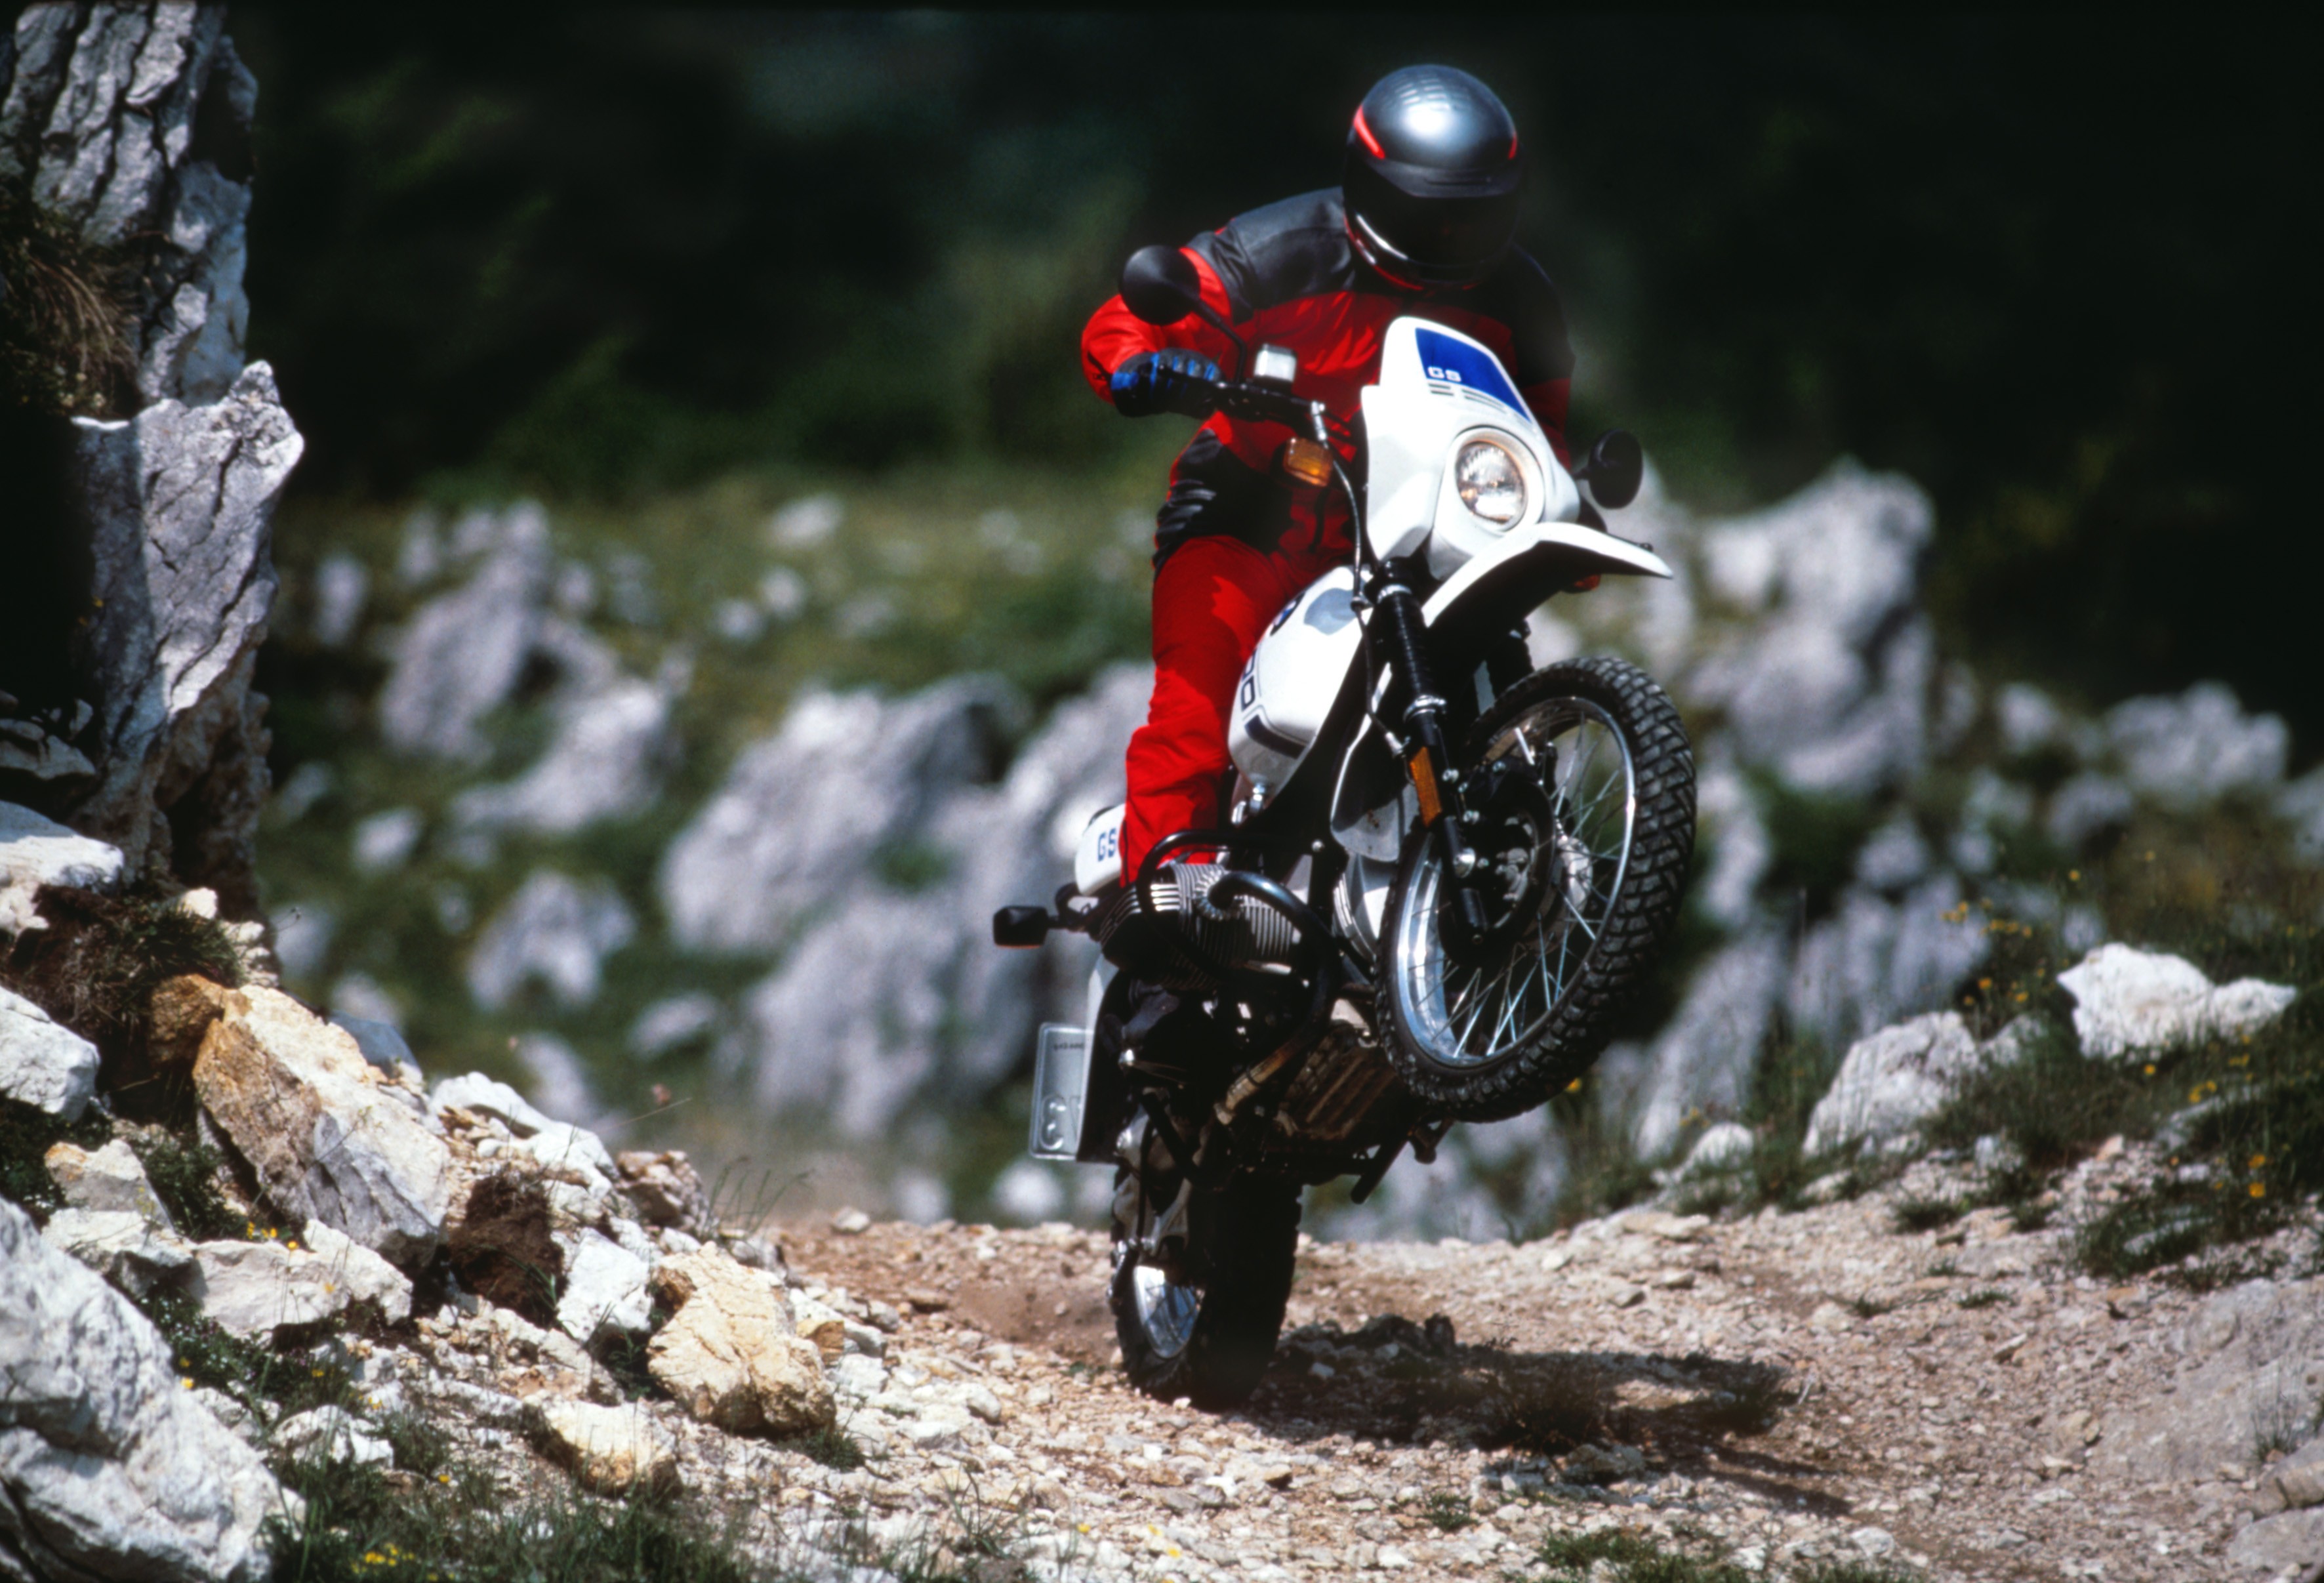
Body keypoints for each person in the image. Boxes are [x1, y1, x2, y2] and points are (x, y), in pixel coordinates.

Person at [1081, 64, 1575, 912]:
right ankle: (1165, 911)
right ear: (1370, 188)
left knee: (1491, 686)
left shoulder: (1523, 302)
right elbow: (1142, 313)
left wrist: (1564, 504)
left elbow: (1543, 427)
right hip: (1251, 516)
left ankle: (1500, 877)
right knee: (1195, 704)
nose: (1449, 234)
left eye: (1471, 214)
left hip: (1417, 544)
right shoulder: (1279, 251)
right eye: (1428, 213)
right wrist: (1139, 364)